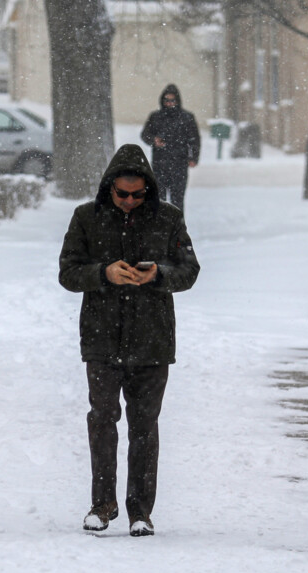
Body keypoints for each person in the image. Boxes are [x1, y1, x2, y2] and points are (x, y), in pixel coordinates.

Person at [58, 144, 200, 537]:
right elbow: (68, 272)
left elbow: (189, 270)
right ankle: (102, 505)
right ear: (109, 188)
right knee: (102, 421)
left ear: (149, 190)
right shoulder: (86, 217)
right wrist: (104, 273)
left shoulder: (169, 218)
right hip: (101, 340)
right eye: (122, 194)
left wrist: (158, 275)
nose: (130, 201)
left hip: (152, 340)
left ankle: (141, 510)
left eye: (138, 195)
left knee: (144, 426)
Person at [139, 84, 201, 211]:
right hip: (159, 164)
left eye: (172, 100)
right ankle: (160, 228)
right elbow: (145, 134)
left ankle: (176, 228)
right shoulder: (155, 117)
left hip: (179, 165)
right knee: (159, 200)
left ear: (177, 100)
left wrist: (194, 157)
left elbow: (194, 139)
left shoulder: (186, 118)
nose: (169, 103)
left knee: (177, 201)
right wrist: (154, 140)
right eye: (166, 100)